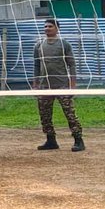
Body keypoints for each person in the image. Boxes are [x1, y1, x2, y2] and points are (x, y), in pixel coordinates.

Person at [33, 19, 84, 151]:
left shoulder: (64, 44)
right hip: (45, 87)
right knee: (45, 115)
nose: (47, 28)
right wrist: (35, 84)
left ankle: (78, 140)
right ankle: (51, 140)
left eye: (50, 26)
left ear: (57, 28)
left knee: (70, 114)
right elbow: (36, 66)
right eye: (45, 26)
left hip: (62, 85)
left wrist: (72, 85)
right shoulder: (39, 45)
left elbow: (72, 64)